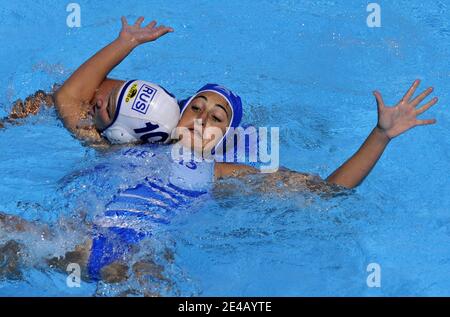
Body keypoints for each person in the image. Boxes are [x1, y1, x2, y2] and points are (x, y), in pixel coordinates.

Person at [0, 16, 439, 286]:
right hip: (68, 240)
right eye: (198, 107)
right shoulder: (122, 145)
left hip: (136, 258)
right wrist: (126, 43)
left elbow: (327, 193)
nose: (203, 119)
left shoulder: (222, 174)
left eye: (217, 118)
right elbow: (68, 100)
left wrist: (380, 136)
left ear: (225, 136)